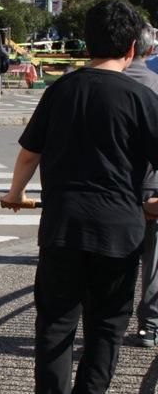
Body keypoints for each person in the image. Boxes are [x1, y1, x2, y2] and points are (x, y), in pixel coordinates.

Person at [0, 0, 158, 394]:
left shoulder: (60, 91)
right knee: (106, 329)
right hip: (120, 232)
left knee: (56, 326)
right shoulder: (142, 99)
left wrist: (15, 193)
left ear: (86, 45)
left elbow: (28, 154)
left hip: (63, 227)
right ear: (132, 49)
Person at [124, 23, 158, 347]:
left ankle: (108, 324)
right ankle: (149, 325)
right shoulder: (155, 84)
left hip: (115, 187)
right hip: (150, 184)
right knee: (153, 261)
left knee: (117, 259)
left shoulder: (108, 82)